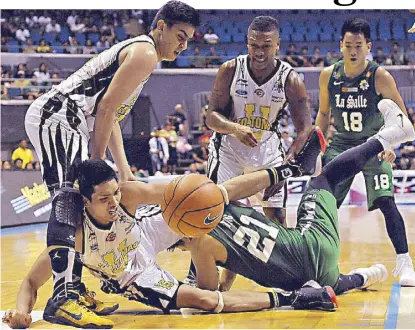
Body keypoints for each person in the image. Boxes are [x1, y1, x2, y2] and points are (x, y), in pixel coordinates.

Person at [3, 137, 347, 328]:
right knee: (204, 301)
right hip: (131, 274)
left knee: (211, 196)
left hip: (145, 230)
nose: (113, 202)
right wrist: (21, 312)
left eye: (115, 194)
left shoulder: (130, 197)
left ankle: (290, 168)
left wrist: (194, 197)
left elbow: (184, 191)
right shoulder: (72, 236)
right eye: (104, 199)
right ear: (84, 201)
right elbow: (31, 282)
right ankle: (293, 298)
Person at [23, 1, 200, 326]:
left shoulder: (144, 57)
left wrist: (126, 170)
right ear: (160, 26)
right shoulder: (146, 54)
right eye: (179, 35)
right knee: (70, 199)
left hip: (70, 120)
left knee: (77, 204)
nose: (183, 45)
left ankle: (72, 288)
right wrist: (97, 163)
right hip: (60, 116)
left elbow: (112, 114)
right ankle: (62, 297)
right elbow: (103, 110)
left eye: (188, 39)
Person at [176, 99, 414, 295]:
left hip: (296, 281)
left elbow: (211, 293)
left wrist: (202, 278)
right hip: (310, 248)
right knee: (324, 180)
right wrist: (285, 172)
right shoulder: (215, 198)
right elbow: (244, 187)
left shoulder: (201, 245)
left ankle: (365, 276)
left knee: (329, 280)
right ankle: (390, 135)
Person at [315, 18, 415, 287]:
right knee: (324, 204)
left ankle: (404, 261)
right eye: (348, 45)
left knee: (386, 201)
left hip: (374, 144)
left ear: (368, 46)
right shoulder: (329, 75)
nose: (353, 51)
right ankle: (320, 264)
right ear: (340, 45)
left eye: (358, 45)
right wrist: (316, 146)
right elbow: (323, 113)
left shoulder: (379, 76)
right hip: (341, 145)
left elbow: (401, 117)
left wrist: (391, 145)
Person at [206, 16, 313, 225]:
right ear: (247, 43)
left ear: (278, 45)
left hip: (268, 152)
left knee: (277, 220)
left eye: (267, 46)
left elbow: (305, 129)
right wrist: (234, 128)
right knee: (221, 216)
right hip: (228, 151)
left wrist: (285, 168)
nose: (260, 52)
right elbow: (211, 117)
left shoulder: (290, 80)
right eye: (254, 45)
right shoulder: (230, 70)